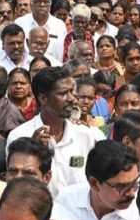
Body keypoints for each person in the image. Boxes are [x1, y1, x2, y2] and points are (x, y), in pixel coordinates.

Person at [7, 67, 105, 196]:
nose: (72, 99)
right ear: (43, 98)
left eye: (72, 92)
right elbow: (18, 188)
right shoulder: (19, 136)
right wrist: (33, 149)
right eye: (63, 93)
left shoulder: (84, 135)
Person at [56, 140, 140, 220]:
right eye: (121, 187)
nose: (131, 193)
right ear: (94, 183)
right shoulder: (66, 202)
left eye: (135, 183)